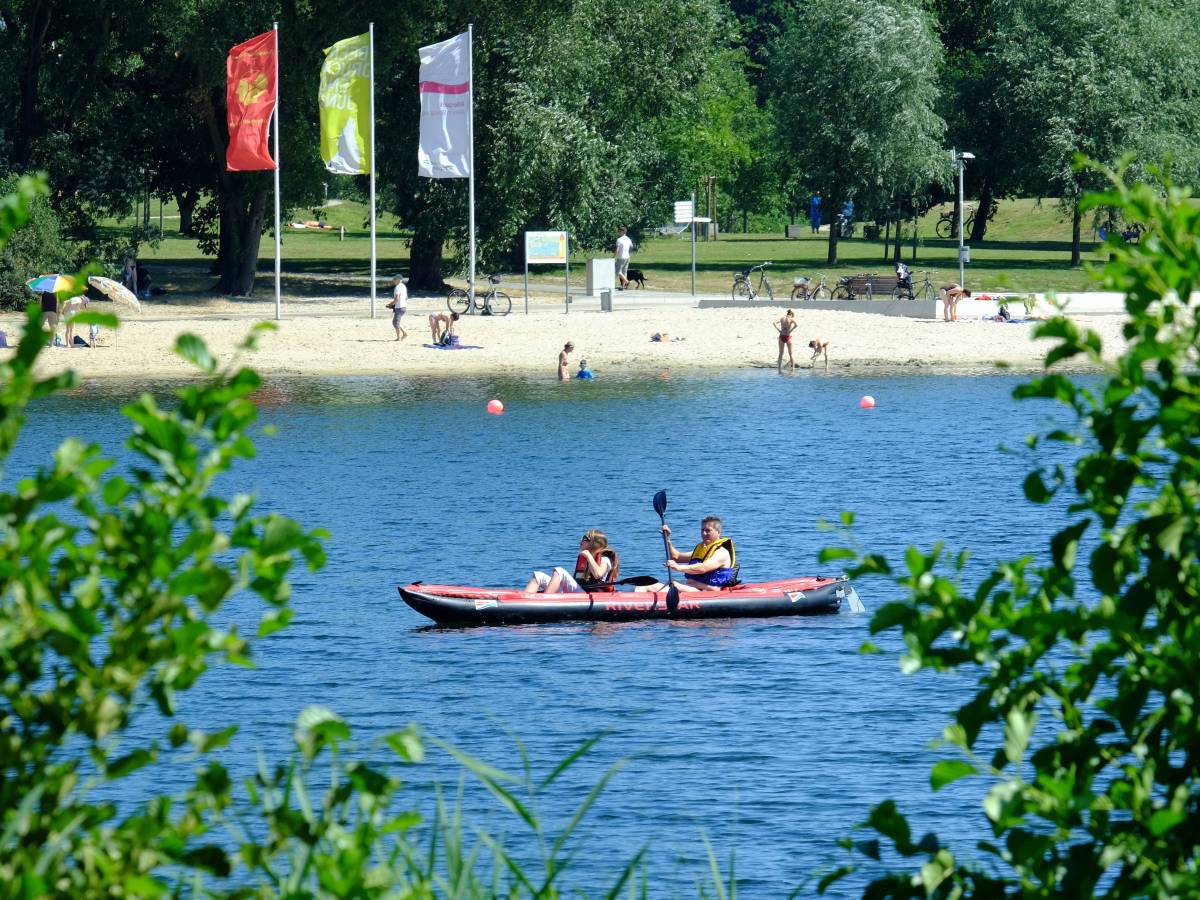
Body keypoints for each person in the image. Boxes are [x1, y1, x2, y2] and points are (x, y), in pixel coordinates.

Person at [635, 516, 737, 593]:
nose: (704, 534)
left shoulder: (721, 553)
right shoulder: (702, 550)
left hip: (710, 593)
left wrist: (679, 568)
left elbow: (703, 568)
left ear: (718, 532)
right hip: (697, 588)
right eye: (702, 530)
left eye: (708, 530)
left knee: (674, 584)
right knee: (643, 586)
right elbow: (676, 557)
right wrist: (667, 539)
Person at [524, 529, 619, 594]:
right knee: (538, 576)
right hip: (579, 592)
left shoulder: (605, 559)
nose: (581, 540)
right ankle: (524, 601)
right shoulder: (585, 558)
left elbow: (598, 574)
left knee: (559, 571)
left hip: (589, 596)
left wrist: (588, 555)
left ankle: (543, 603)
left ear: (594, 544)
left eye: (585, 538)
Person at [775, 309, 798, 374]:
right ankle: (793, 369)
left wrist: (779, 330)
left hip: (781, 336)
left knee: (780, 353)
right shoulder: (791, 319)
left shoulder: (782, 318)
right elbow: (796, 325)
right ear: (791, 315)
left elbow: (774, 323)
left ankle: (779, 369)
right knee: (791, 354)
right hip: (788, 336)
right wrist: (790, 331)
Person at [386, 275, 408, 341]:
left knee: (396, 323)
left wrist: (390, 304)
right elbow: (406, 297)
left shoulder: (397, 287)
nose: (393, 280)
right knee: (395, 322)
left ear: (398, 280)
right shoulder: (403, 286)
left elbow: (397, 299)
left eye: (394, 279)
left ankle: (400, 336)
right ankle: (403, 333)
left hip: (399, 307)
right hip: (403, 306)